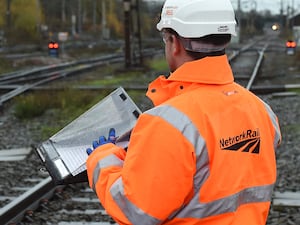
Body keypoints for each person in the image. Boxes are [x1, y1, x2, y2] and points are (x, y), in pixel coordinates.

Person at [85, 0, 281, 224]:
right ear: (226, 39)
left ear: (173, 42)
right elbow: (219, 166)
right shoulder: (261, 111)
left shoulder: (167, 123)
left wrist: (101, 157)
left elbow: (135, 211)